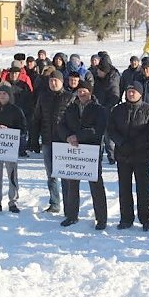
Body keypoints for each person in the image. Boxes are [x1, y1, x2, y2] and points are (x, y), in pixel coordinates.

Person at [57, 80, 107, 229]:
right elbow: (61, 125)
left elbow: (98, 130)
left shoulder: (99, 109)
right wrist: (67, 136)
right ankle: (72, 216)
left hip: (91, 150)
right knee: (72, 184)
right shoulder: (71, 108)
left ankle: (101, 218)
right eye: (79, 91)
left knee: (96, 185)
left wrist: (78, 136)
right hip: (73, 150)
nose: (81, 93)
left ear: (90, 92)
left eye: (84, 91)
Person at [108, 81, 149, 231]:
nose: (130, 93)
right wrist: (122, 142)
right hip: (123, 155)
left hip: (141, 155)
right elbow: (111, 129)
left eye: (134, 91)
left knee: (143, 188)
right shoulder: (118, 110)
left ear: (140, 93)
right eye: (129, 91)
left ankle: (146, 218)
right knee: (124, 188)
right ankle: (126, 218)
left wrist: (136, 144)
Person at [31, 70, 74, 212]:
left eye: (56, 80)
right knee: (51, 175)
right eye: (51, 80)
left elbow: (75, 120)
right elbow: (37, 118)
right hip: (47, 140)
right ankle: (55, 203)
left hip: (64, 142)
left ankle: (69, 205)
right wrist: (33, 139)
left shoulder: (69, 97)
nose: (53, 83)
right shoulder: (43, 97)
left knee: (65, 176)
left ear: (62, 82)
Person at [0, 85, 26, 213]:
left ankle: (13, 202)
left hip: (10, 148)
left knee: (12, 175)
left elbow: (23, 129)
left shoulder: (16, 110)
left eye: (5, 93)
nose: (2, 96)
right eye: (0, 93)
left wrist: (9, 131)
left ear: (9, 95)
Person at [94, 60, 121, 164]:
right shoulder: (98, 79)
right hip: (98, 109)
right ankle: (98, 156)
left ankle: (112, 157)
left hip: (108, 111)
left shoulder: (112, 81)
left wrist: (105, 107)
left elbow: (115, 96)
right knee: (98, 137)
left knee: (108, 137)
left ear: (104, 71)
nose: (97, 72)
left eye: (100, 71)